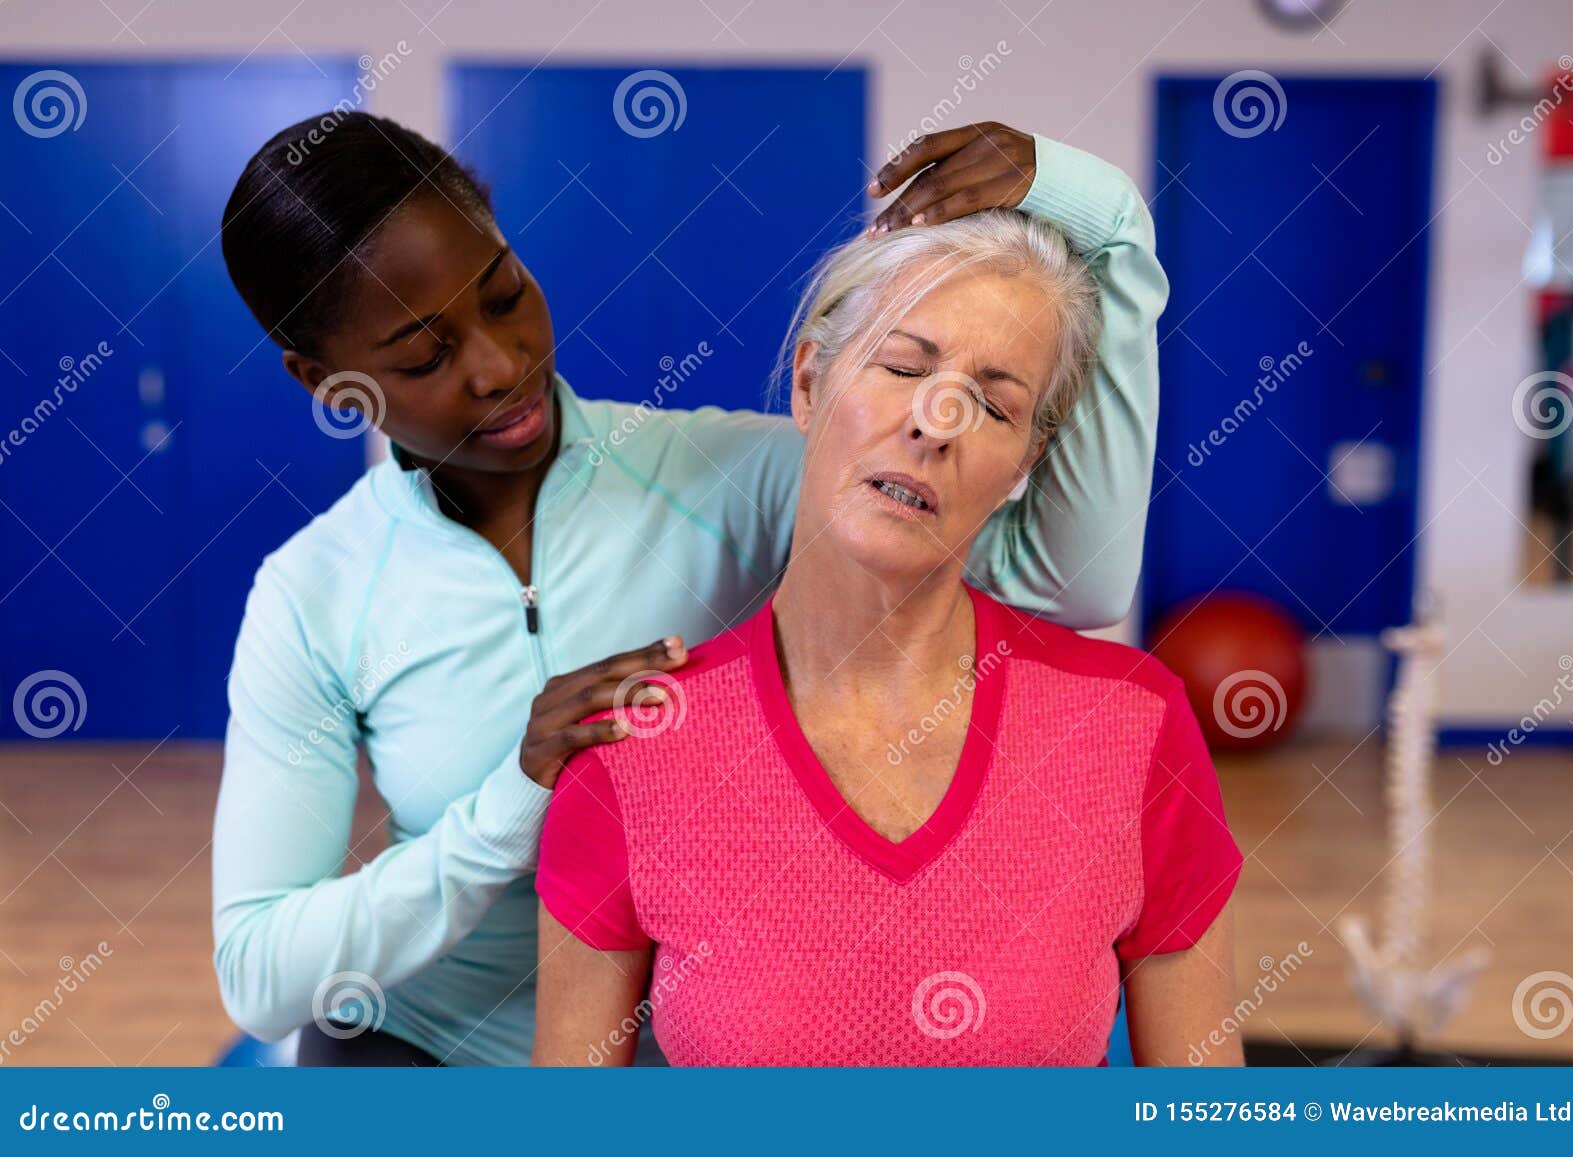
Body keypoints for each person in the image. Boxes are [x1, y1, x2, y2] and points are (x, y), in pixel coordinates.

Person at [209, 111, 1166, 1066]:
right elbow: (260, 976)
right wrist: (512, 799)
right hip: (432, 1049)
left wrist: (1107, 214)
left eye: (504, 295)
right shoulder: (313, 595)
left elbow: (1075, 577)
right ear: (328, 383)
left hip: (684, 1038)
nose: (499, 366)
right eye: (424, 355)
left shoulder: (725, 480)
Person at [532, 203, 1242, 1066]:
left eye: (990, 403)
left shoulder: (1135, 726)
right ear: (806, 384)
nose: (934, 423)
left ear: (1025, 462)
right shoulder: (633, 745)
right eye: (903, 365)